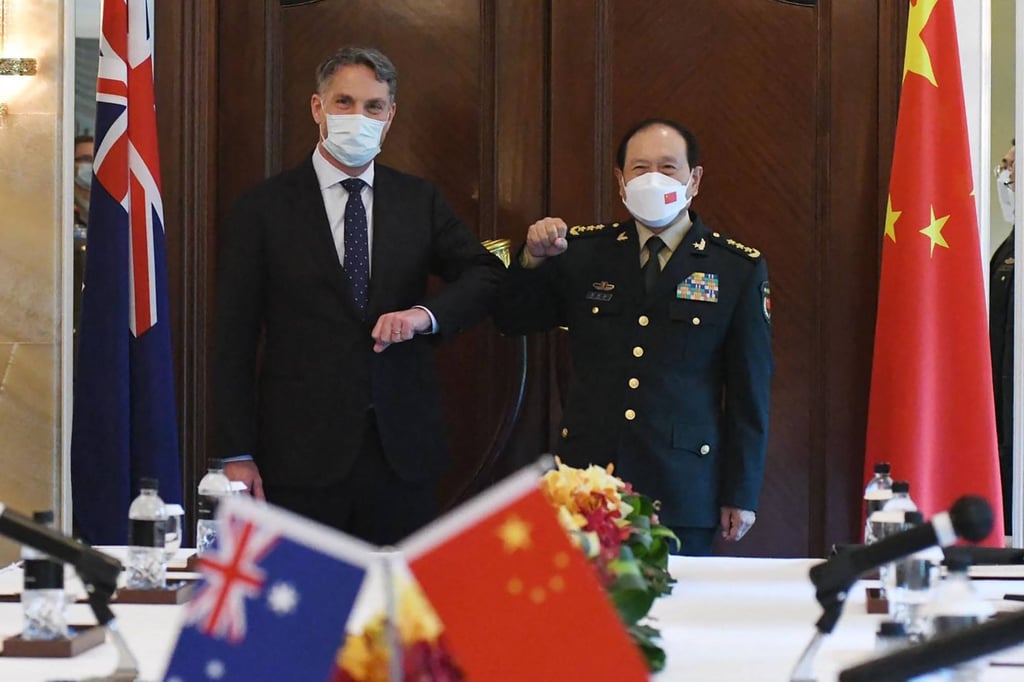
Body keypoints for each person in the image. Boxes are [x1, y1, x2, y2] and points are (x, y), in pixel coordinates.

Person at [211, 46, 504, 545]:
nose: (358, 117)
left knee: (396, 613)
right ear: (316, 109)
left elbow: (485, 275)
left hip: (401, 453)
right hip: (297, 457)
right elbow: (231, 338)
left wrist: (423, 316)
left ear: (390, 117)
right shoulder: (262, 208)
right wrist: (235, 454)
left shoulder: (419, 201)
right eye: (344, 102)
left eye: (373, 107)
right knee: (304, 610)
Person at [494, 119, 773, 556]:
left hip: (683, 488)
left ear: (694, 179)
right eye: (641, 168)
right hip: (589, 483)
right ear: (621, 181)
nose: (654, 178)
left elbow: (748, 391)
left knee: (678, 619)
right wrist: (532, 259)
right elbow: (513, 318)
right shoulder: (583, 253)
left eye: (668, 167)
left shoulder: (736, 268)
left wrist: (740, 491)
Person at [991, 141, 1015, 532]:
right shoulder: (1008, 248)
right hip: (1003, 415)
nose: (1006, 177)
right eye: (1004, 168)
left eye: (1012, 168)